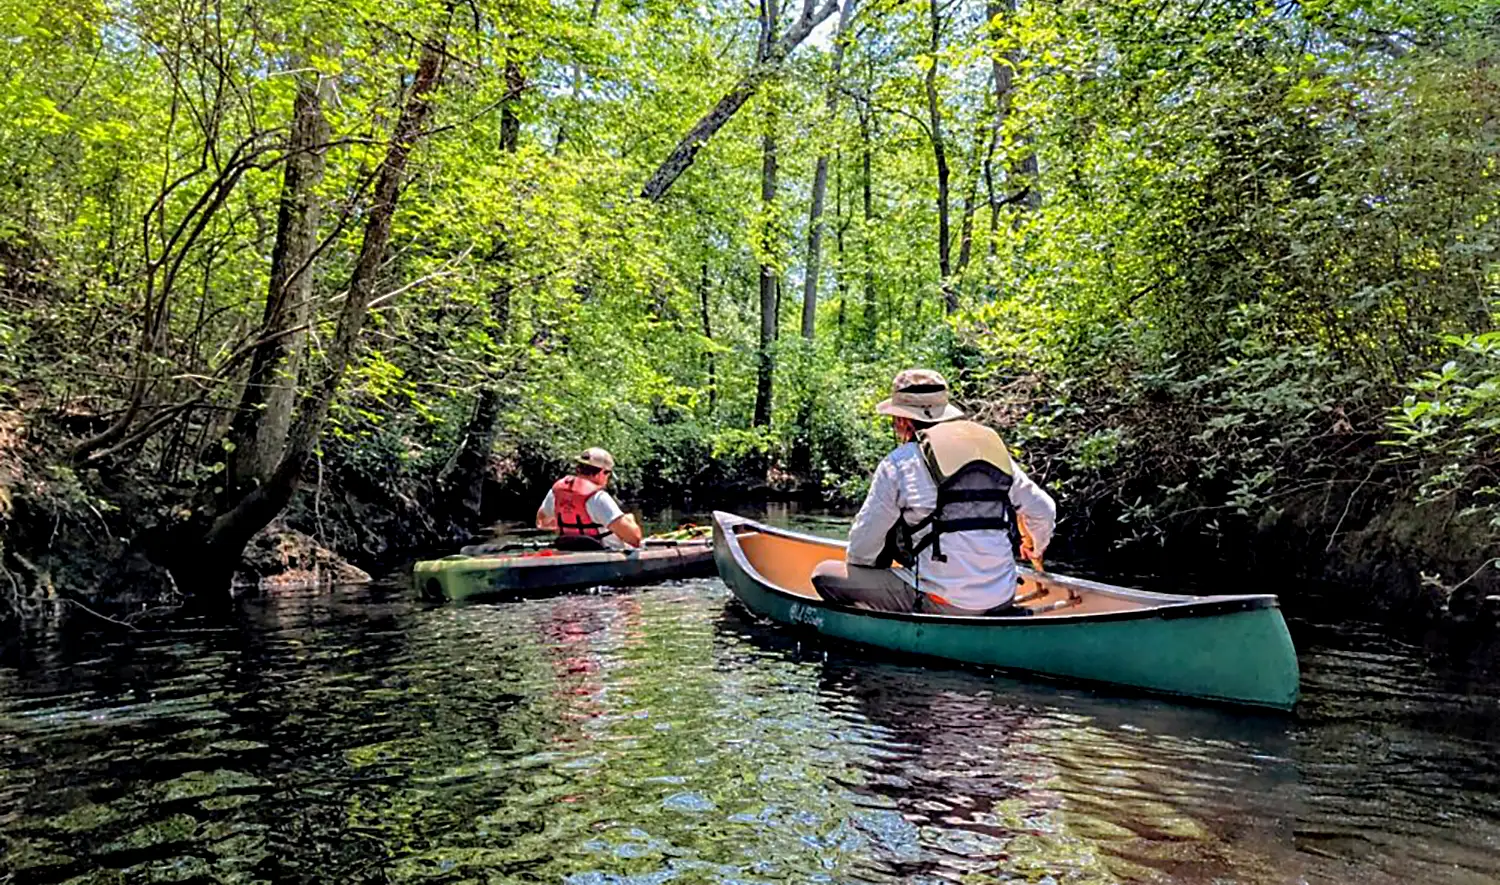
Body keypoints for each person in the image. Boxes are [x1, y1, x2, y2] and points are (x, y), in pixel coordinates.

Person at [811, 369, 1056, 615]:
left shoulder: (899, 463)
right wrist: (1035, 545)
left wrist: (869, 572)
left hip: (940, 603)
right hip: (1001, 598)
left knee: (824, 574)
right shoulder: (993, 456)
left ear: (902, 421)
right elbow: (1044, 509)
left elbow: (863, 546)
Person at [536, 448, 644, 550]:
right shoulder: (599, 498)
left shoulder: (556, 493)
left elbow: (541, 522)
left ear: (578, 469)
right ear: (601, 472)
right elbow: (634, 539)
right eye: (608, 473)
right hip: (604, 557)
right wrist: (629, 520)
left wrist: (568, 521)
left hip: (569, 553)